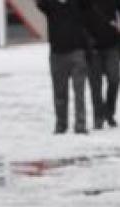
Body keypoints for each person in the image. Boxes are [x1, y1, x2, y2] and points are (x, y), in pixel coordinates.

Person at [36, 0, 90, 134]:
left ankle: (80, 124)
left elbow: (88, 5)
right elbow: (39, 3)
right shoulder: (49, 4)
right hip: (57, 53)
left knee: (79, 91)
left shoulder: (78, 4)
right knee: (59, 92)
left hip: (77, 51)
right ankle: (61, 124)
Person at [85, 0, 120, 129]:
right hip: (91, 46)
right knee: (95, 84)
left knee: (115, 79)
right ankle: (98, 117)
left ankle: (109, 112)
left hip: (112, 44)